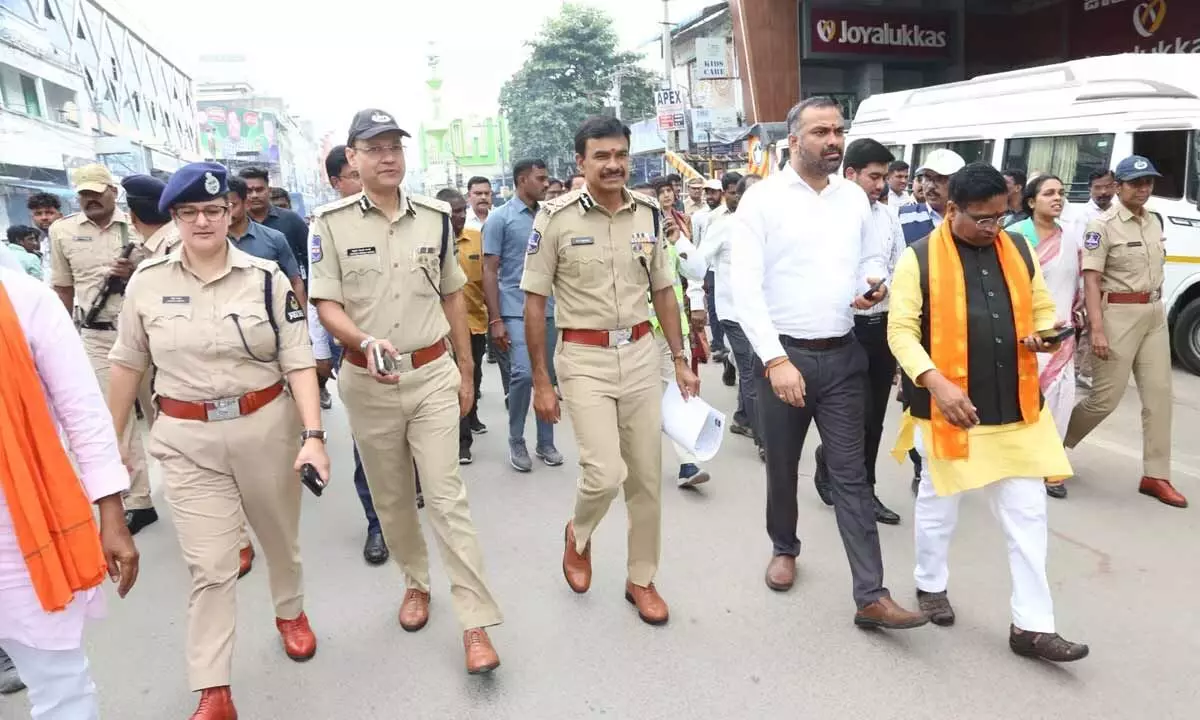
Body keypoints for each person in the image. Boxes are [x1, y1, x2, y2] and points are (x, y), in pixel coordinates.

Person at [106, 162, 329, 718]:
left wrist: (314, 435)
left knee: (279, 541)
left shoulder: (264, 277)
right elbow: (127, 364)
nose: (202, 221)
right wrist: (108, 447)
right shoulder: (147, 282)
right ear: (174, 217)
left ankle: (290, 611)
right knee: (210, 564)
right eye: (189, 213)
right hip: (185, 439)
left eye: (212, 210)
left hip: (265, 429)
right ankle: (214, 687)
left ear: (230, 211)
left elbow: (298, 360)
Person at [311, 108, 503, 674]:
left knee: (446, 498)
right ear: (353, 159)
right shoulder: (329, 223)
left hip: (431, 375)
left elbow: (451, 294)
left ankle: (475, 623)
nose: (388, 155)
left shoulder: (437, 217)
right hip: (367, 383)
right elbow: (326, 304)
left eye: (395, 145)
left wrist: (466, 372)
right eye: (374, 148)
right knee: (393, 498)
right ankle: (415, 583)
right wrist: (362, 340)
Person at [730, 97, 927, 629]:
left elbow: (868, 258)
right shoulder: (762, 202)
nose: (834, 140)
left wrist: (870, 285)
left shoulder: (853, 200)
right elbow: (742, 287)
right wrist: (774, 361)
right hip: (784, 357)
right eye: (821, 131)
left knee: (851, 476)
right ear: (794, 141)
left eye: (839, 130)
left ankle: (871, 594)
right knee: (782, 467)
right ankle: (784, 546)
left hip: (842, 356)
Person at [887, 161, 1088, 662]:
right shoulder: (919, 259)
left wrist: (1045, 334)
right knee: (939, 504)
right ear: (952, 209)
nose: (993, 227)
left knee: (1028, 516)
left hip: (1017, 408)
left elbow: (1041, 306)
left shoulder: (1018, 247)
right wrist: (936, 383)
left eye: (1001, 216)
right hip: (951, 410)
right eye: (982, 218)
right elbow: (901, 332)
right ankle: (930, 585)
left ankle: (1032, 627)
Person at [522, 115, 700, 626]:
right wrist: (541, 381)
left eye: (620, 154)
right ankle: (578, 534)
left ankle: (640, 579)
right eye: (601, 156)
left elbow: (664, 291)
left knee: (645, 478)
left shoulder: (647, 212)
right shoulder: (554, 219)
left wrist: (681, 360)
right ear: (580, 162)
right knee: (604, 472)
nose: (613, 164)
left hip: (642, 354)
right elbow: (534, 302)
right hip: (582, 358)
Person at [0, 260, 140, 716]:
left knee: (59, 688)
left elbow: (83, 412)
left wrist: (112, 514)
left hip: (21, 531)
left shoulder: (24, 299)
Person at [1065, 155, 1185, 509]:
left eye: (1148, 182)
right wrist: (1096, 329)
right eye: (1136, 183)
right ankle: (1054, 446)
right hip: (1116, 314)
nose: (1144, 189)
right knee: (1105, 399)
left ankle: (1156, 475)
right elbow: (1091, 278)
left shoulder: (1153, 221)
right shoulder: (1101, 226)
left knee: (1160, 396)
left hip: (1153, 313)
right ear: (1119, 187)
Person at [49, 164, 155, 536]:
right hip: (97, 337)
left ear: (113, 191)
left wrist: (133, 273)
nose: (91, 199)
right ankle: (139, 501)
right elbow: (62, 288)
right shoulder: (62, 231)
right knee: (117, 420)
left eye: (97, 192)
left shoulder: (140, 226)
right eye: (84, 194)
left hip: (149, 334)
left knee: (167, 414)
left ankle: (195, 486)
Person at [812, 139, 907, 525]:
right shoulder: (824, 216)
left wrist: (887, 291)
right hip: (842, 330)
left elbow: (901, 266)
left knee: (874, 418)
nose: (880, 185)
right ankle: (836, 467)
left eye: (884, 177)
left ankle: (863, 488)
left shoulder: (887, 217)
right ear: (849, 174)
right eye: (873, 176)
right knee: (852, 416)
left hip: (880, 328)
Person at [316, 145, 389, 565]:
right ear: (337, 181)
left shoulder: (399, 221)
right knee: (367, 448)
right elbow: (316, 300)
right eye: (352, 176)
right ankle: (377, 524)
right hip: (359, 359)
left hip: (414, 361)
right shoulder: (325, 229)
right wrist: (321, 352)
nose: (362, 184)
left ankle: (401, 505)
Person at [483, 159, 562, 472]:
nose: (545, 184)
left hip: (549, 309)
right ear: (521, 180)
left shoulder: (551, 217)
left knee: (549, 376)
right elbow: (489, 271)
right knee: (523, 374)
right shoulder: (499, 219)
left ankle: (546, 441)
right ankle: (516, 438)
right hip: (514, 309)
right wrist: (496, 319)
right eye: (540, 178)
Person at [1005, 175, 1082, 499]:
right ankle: (1021, 461)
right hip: (1028, 335)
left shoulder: (1071, 238)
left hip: (1062, 335)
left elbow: (1076, 284)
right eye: (1049, 193)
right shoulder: (1015, 236)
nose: (1058, 198)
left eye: (1061, 193)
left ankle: (1052, 467)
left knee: (1061, 401)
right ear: (1032, 201)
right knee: (1027, 400)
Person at [120, 174, 178, 533]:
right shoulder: (151, 251)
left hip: (167, 361)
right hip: (143, 351)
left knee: (171, 433)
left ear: (131, 215)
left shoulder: (166, 251)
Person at [649, 176, 711, 488]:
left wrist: (679, 240)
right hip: (631, 333)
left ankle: (688, 463)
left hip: (671, 332)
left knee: (676, 394)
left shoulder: (672, 232)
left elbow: (697, 271)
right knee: (639, 400)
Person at [702, 173, 764, 459]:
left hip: (762, 312)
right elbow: (697, 263)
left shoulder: (769, 227)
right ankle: (765, 440)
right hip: (733, 312)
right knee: (752, 371)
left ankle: (742, 418)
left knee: (754, 368)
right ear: (738, 196)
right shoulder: (723, 226)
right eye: (749, 193)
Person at [438, 187, 489, 464]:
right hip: (444, 330)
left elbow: (488, 279)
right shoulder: (431, 243)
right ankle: (462, 441)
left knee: (474, 375)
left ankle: (472, 414)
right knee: (454, 382)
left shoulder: (477, 238)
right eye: (452, 212)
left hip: (476, 322)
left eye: (461, 210)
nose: (458, 216)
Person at [239, 167, 309, 284]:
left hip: (289, 291)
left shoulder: (291, 219)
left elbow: (310, 258)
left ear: (269, 190)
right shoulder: (236, 224)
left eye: (259, 189)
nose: (254, 195)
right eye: (248, 191)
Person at [899, 150, 965, 246]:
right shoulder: (902, 216)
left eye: (940, 179)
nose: (930, 186)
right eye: (927, 177)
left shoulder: (968, 220)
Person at [26, 192, 62, 282]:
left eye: (49, 213)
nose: (44, 217)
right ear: (32, 218)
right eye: (38, 214)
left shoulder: (69, 239)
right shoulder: (44, 242)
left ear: (60, 215)